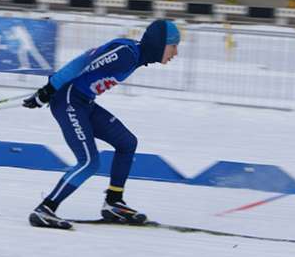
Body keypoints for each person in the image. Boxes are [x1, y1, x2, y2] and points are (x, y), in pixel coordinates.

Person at [22, 19, 181, 229]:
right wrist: (48, 90)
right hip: (69, 101)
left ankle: (114, 202)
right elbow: (81, 63)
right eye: (173, 46)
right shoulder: (126, 53)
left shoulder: (136, 56)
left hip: (84, 103)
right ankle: (45, 208)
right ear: (160, 43)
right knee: (89, 162)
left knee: (127, 143)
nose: (175, 52)